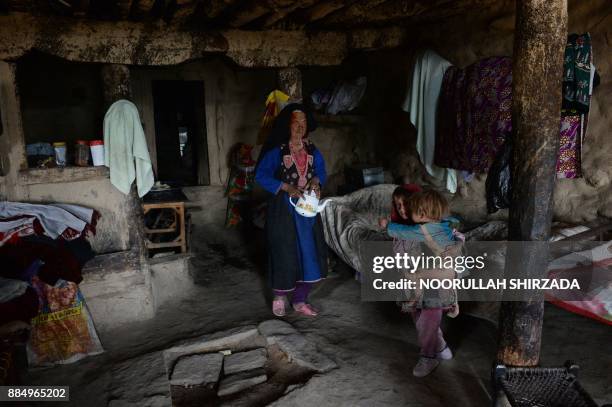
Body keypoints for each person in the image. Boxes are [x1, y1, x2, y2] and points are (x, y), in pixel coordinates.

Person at [255, 103, 328, 317]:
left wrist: (316, 180)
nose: (299, 127)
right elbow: (261, 175)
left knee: (309, 252)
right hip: (283, 211)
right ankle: (279, 297)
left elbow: (322, 171)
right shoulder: (276, 151)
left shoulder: (313, 150)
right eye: (295, 122)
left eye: (303, 122)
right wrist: (285, 187)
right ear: (287, 126)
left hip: (307, 210)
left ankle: (299, 300)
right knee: (284, 252)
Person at [386, 189, 461, 378]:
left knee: (429, 317)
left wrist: (387, 225)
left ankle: (428, 356)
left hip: (433, 281)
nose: (403, 209)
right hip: (416, 283)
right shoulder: (430, 226)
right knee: (419, 316)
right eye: (398, 205)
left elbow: (455, 245)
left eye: (406, 204)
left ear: (420, 209)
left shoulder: (420, 229)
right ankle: (440, 345)